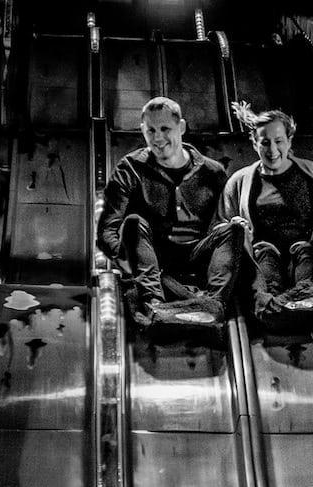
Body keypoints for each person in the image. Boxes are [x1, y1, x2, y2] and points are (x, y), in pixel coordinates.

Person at [97, 96, 247, 326]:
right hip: (152, 257)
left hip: (197, 254)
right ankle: (155, 304)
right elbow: (108, 229)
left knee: (233, 229)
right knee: (134, 222)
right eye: (151, 130)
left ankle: (210, 305)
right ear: (143, 131)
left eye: (165, 129)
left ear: (182, 127)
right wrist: (128, 262)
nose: (158, 138)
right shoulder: (130, 168)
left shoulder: (212, 172)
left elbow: (221, 223)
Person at [221, 101, 313, 328]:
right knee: (266, 264)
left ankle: (303, 296)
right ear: (254, 143)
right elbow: (222, 230)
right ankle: (275, 303)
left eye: (279, 141)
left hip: (303, 252)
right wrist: (237, 229)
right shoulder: (239, 182)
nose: (272, 150)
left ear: (289, 141)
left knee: (305, 259)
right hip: (263, 255)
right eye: (265, 143)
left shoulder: (312, 174)